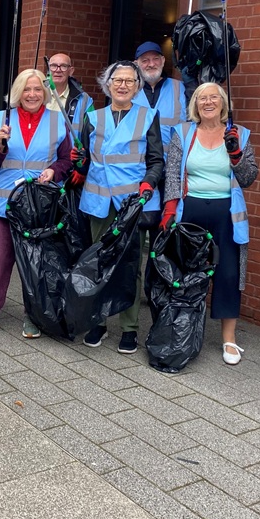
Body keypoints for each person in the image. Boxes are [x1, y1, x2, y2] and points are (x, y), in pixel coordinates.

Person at [161, 82, 259, 365]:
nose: (208, 102)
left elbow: (249, 177)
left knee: (228, 274)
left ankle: (229, 339)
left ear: (222, 102)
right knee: (187, 273)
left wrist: (236, 156)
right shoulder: (183, 132)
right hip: (190, 212)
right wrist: (169, 211)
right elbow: (172, 175)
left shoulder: (238, 133)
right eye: (202, 98)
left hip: (226, 214)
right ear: (195, 104)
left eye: (213, 97)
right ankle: (183, 329)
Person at [0, 68, 73, 338]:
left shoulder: (57, 121)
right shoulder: (2, 119)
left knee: (36, 264)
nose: (32, 94)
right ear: (18, 92)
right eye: (27, 89)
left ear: (45, 93)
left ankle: (34, 315)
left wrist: (54, 170)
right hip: (6, 204)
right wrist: (1, 144)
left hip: (40, 206)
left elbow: (67, 159)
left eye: (37, 89)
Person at [73, 60, 164, 354]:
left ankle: (129, 328)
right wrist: (78, 162)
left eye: (129, 81)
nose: (123, 85)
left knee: (129, 266)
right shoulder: (93, 117)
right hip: (98, 201)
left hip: (130, 204)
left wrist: (149, 183)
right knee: (98, 263)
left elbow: (156, 160)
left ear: (137, 87)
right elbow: (86, 160)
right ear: (107, 84)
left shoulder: (148, 116)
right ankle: (98, 321)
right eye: (118, 80)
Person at [131, 41, 188, 318]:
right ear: (137, 64)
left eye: (155, 59)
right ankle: (133, 290)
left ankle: (158, 292)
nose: (150, 64)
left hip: (173, 173)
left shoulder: (179, 89)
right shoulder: (127, 89)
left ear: (163, 62)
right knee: (138, 231)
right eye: (145, 60)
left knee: (164, 236)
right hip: (141, 174)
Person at [45, 52, 94, 138]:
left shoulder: (84, 100)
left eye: (63, 66)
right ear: (48, 70)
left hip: (70, 150)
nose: (58, 70)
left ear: (71, 71)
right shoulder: (37, 94)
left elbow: (91, 132)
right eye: (53, 66)